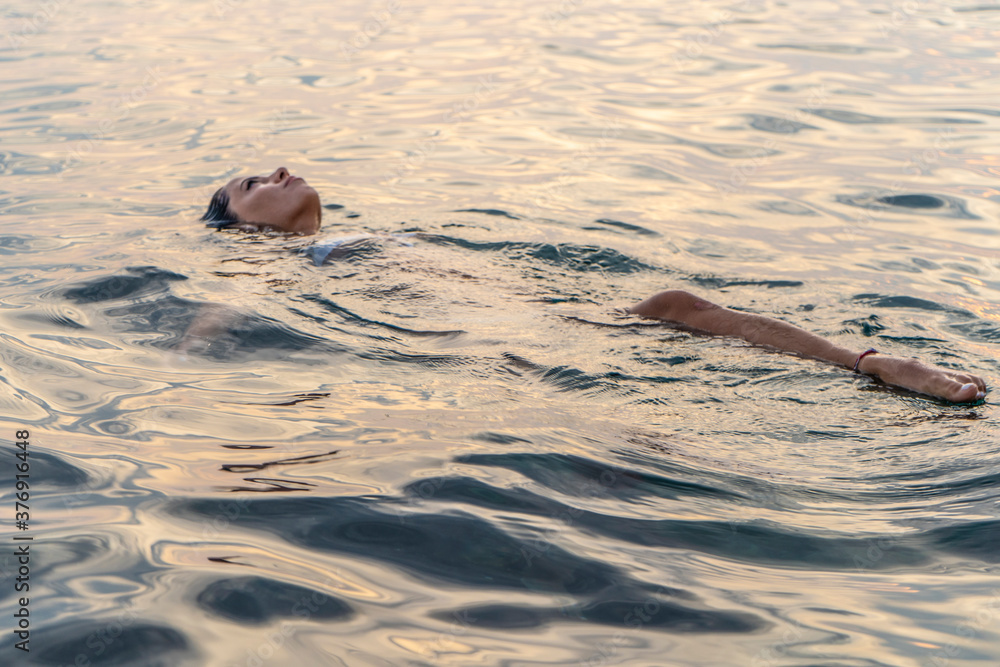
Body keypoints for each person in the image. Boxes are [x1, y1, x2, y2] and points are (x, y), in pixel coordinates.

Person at [201, 167, 988, 404]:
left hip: (538, 310)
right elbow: (218, 317)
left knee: (674, 305)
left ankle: (872, 362)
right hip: (485, 341)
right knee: (664, 322)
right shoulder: (280, 266)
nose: (276, 172)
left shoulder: (359, 235)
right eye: (248, 183)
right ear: (242, 226)